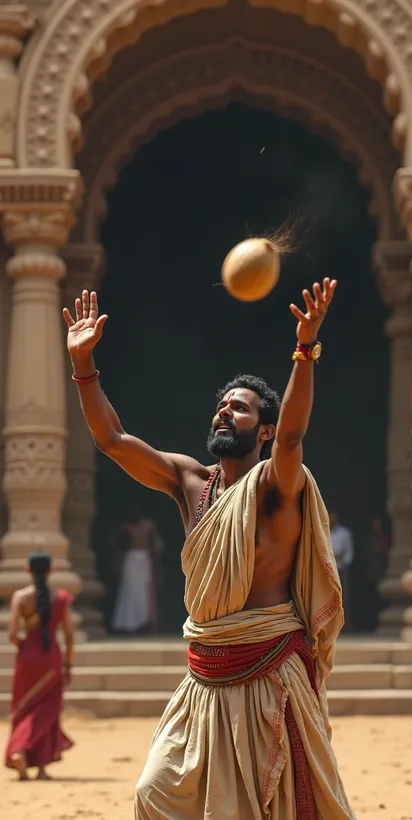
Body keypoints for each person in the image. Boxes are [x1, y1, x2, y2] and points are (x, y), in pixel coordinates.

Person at [63, 283, 355, 820]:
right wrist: (84, 366)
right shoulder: (189, 481)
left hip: (268, 673)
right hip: (205, 676)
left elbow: (292, 438)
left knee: (267, 808)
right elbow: (112, 439)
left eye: (240, 409)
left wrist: (305, 349)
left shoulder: (275, 487)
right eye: (222, 406)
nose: (225, 413)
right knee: (154, 792)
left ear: (263, 430)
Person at [4, 551, 74, 781]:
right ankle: (41, 767)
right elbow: (69, 636)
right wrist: (69, 664)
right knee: (47, 711)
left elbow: (13, 633)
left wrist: (24, 645)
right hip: (51, 658)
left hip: (27, 658)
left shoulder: (20, 598)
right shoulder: (61, 598)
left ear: (28, 571)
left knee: (25, 708)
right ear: (50, 571)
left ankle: (19, 750)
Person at [112, 503, 165, 634]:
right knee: (130, 590)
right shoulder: (127, 528)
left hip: (144, 558)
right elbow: (113, 539)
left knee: (144, 591)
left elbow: (156, 545)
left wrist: (156, 563)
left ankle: (145, 622)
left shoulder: (149, 526)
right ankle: (129, 623)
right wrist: (120, 553)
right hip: (131, 558)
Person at [329, 512, 355, 632]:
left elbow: (349, 553)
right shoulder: (323, 531)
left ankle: (345, 627)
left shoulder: (344, 533)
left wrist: (342, 563)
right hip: (326, 571)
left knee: (343, 599)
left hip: (340, 570)